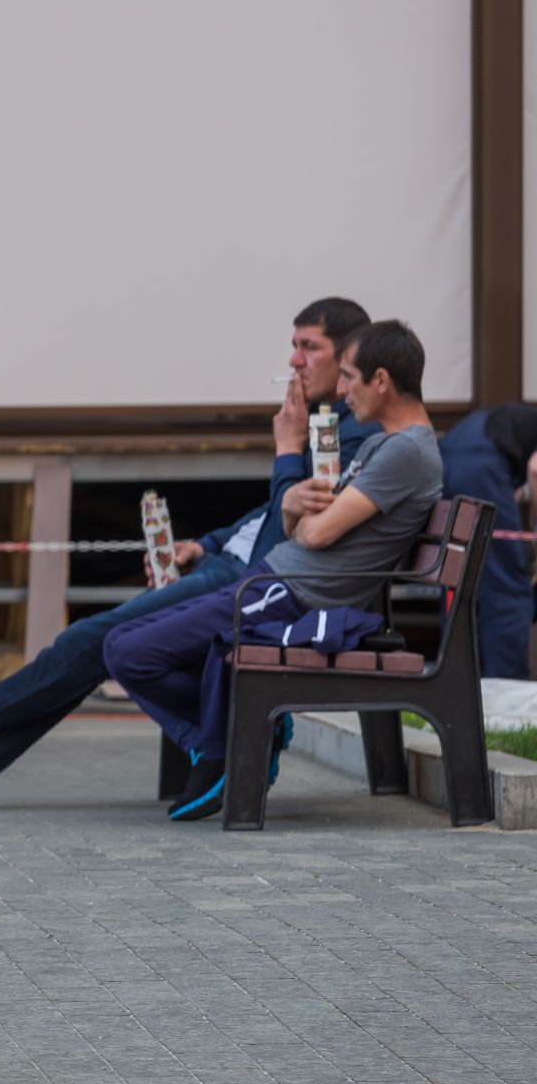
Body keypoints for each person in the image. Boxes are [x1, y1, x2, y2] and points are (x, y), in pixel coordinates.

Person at [0, 298, 375, 808]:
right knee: (90, 644)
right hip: (228, 566)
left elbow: (293, 538)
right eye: (292, 346)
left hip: (254, 585)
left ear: (349, 353)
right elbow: (270, 510)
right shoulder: (321, 420)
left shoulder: (351, 436)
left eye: (309, 347)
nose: (293, 360)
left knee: (88, 641)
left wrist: (286, 451)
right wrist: (205, 543)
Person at [103, 320, 444, 820]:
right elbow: (297, 522)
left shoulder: (407, 453)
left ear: (382, 381)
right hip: (274, 582)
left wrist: (305, 521)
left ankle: (227, 742)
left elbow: (318, 532)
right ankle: (238, 732)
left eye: (349, 377)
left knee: (126, 651)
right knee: (119, 644)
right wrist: (298, 515)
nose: (342, 391)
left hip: (287, 594)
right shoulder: (381, 446)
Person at [440, 404, 537, 678]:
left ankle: (460, 682)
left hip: (449, 456)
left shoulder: (520, 419)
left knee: (458, 582)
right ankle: (505, 688)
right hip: (481, 463)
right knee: (507, 586)